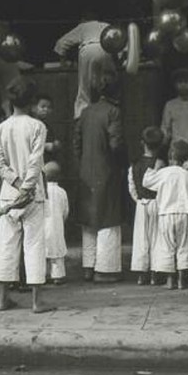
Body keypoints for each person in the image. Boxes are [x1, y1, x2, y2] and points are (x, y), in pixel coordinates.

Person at [0, 76, 54, 313]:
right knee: (34, 245)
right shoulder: (38, 127)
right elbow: (35, 162)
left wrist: (16, 184)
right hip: (32, 195)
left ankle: (2, 299)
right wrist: (27, 187)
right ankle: (37, 302)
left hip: (9, 195)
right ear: (31, 102)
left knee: (6, 244)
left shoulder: (0, 129)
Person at [74, 70, 126, 283]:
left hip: (87, 170)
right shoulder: (113, 112)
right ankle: (105, 270)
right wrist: (123, 162)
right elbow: (116, 143)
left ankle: (88, 266)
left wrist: (84, 161)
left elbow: (76, 143)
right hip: (107, 169)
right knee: (108, 219)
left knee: (89, 220)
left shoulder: (85, 112)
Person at [143, 139, 188, 290]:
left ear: (170, 157)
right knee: (183, 246)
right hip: (184, 213)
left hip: (166, 213)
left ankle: (170, 280)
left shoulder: (164, 173)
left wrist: (155, 167)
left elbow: (146, 182)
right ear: (186, 159)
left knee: (167, 246)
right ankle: (181, 280)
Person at [54, 14, 115, 120]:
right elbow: (121, 41)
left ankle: (80, 115)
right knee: (108, 81)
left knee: (85, 87)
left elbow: (61, 43)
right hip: (106, 50)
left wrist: (62, 62)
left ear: (83, 20)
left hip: (88, 50)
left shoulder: (83, 26)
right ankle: (110, 109)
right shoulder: (107, 25)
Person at [128, 126, 164, 286]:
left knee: (141, 238)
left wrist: (138, 200)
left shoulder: (134, 164)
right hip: (156, 203)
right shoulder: (160, 163)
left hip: (141, 204)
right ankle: (155, 273)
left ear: (142, 143)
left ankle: (141, 274)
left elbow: (131, 185)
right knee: (156, 238)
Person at [161, 68, 188, 158]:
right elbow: (166, 129)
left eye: (186, 82)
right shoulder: (170, 105)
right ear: (175, 85)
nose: (183, 85)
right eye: (179, 82)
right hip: (176, 151)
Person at [43, 161, 69, 285]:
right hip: (57, 226)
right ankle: (58, 276)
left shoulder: (41, 191)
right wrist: (62, 219)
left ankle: (43, 274)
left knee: (43, 252)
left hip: (43, 226)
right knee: (57, 253)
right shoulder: (62, 192)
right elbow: (65, 210)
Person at [32, 93, 62, 164]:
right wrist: (45, 146)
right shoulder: (31, 125)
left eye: (49, 107)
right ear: (34, 108)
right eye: (43, 107)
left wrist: (56, 145)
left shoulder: (47, 126)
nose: (46, 109)